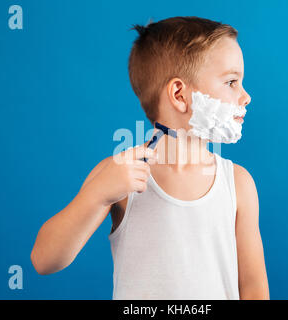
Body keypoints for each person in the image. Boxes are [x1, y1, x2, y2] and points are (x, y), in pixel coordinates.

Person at [31, 16, 269, 300]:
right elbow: (44, 261)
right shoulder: (120, 174)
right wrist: (96, 196)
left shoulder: (237, 184)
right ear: (180, 94)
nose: (246, 97)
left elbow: (253, 286)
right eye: (231, 82)